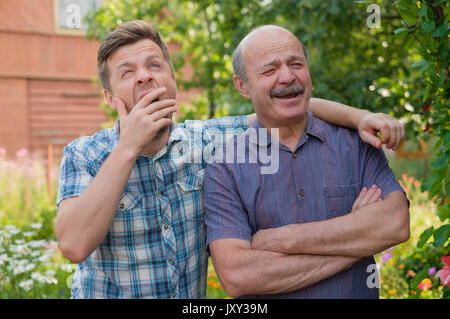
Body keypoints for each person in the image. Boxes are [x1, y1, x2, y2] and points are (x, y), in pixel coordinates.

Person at [55, 20, 405, 299]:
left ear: (173, 80)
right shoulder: (84, 153)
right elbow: (73, 244)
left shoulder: (208, 140)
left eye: (155, 64)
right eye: (127, 72)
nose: (144, 75)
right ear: (108, 96)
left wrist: (359, 117)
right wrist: (127, 147)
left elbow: (281, 103)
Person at [204, 25, 410, 299]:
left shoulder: (356, 143)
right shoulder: (225, 167)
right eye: (269, 70)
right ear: (242, 85)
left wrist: (283, 239)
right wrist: (356, 238)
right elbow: (239, 276)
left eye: (296, 64)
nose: (287, 76)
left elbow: (395, 223)